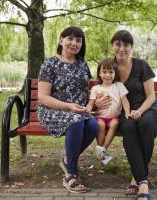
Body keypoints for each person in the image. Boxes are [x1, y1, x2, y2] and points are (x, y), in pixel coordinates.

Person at [96, 30, 157, 200]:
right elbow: (102, 92)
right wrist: (97, 104)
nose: (122, 48)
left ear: (131, 47)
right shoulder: (108, 67)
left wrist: (140, 111)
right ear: (112, 46)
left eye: (126, 44)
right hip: (124, 112)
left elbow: (151, 96)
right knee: (129, 129)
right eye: (118, 44)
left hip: (148, 109)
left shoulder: (141, 66)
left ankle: (138, 179)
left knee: (146, 125)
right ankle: (143, 180)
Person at [37, 26, 98, 193]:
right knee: (76, 121)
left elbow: (86, 92)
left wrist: (96, 102)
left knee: (93, 126)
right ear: (61, 40)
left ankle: (67, 159)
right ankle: (70, 173)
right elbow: (43, 97)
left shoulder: (83, 65)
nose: (74, 43)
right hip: (52, 110)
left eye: (78, 40)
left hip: (77, 111)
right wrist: (68, 106)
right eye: (70, 38)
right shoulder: (49, 64)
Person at [85, 58, 130, 165]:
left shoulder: (119, 85)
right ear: (99, 74)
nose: (107, 75)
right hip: (101, 117)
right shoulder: (96, 88)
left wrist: (128, 113)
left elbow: (125, 101)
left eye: (111, 72)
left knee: (115, 123)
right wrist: (86, 111)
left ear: (115, 73)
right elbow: (91, 103)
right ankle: (102, 152)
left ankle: (103, 149)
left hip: (114, 117)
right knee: (100, 125)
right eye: (104, 72)